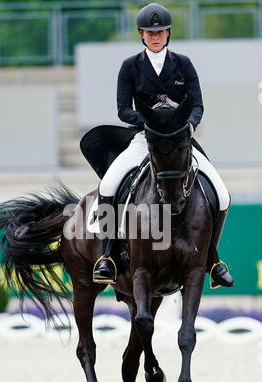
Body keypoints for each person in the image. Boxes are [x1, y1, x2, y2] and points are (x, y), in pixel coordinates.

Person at [93, 2, 234, 289]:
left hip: (180, 141)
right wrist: (150, 123)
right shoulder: (130, 66)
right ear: (141, 35)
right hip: (145, 140)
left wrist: (187, 126)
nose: (155, 36)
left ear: (167, 33)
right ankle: (108, 256)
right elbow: (123, 109)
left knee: (221, 193)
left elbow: (197, 104)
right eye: (149, 32)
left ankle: (212, 260)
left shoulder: (183, 64)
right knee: (108, 186)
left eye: (160, 31)